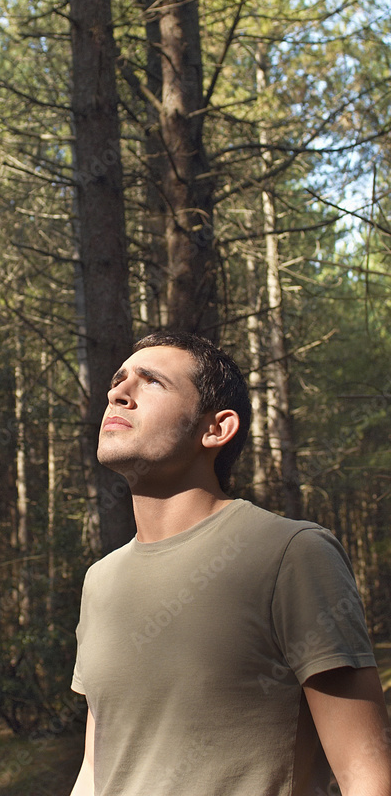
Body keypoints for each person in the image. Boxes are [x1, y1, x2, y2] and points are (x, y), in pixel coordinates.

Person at [69, 330, 391, 796]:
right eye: (118, 381)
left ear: (216, 428)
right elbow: (96, 773)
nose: (118, 392)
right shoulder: (99, 582)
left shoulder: (291, 553)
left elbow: (369, 775)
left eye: (151, 381)